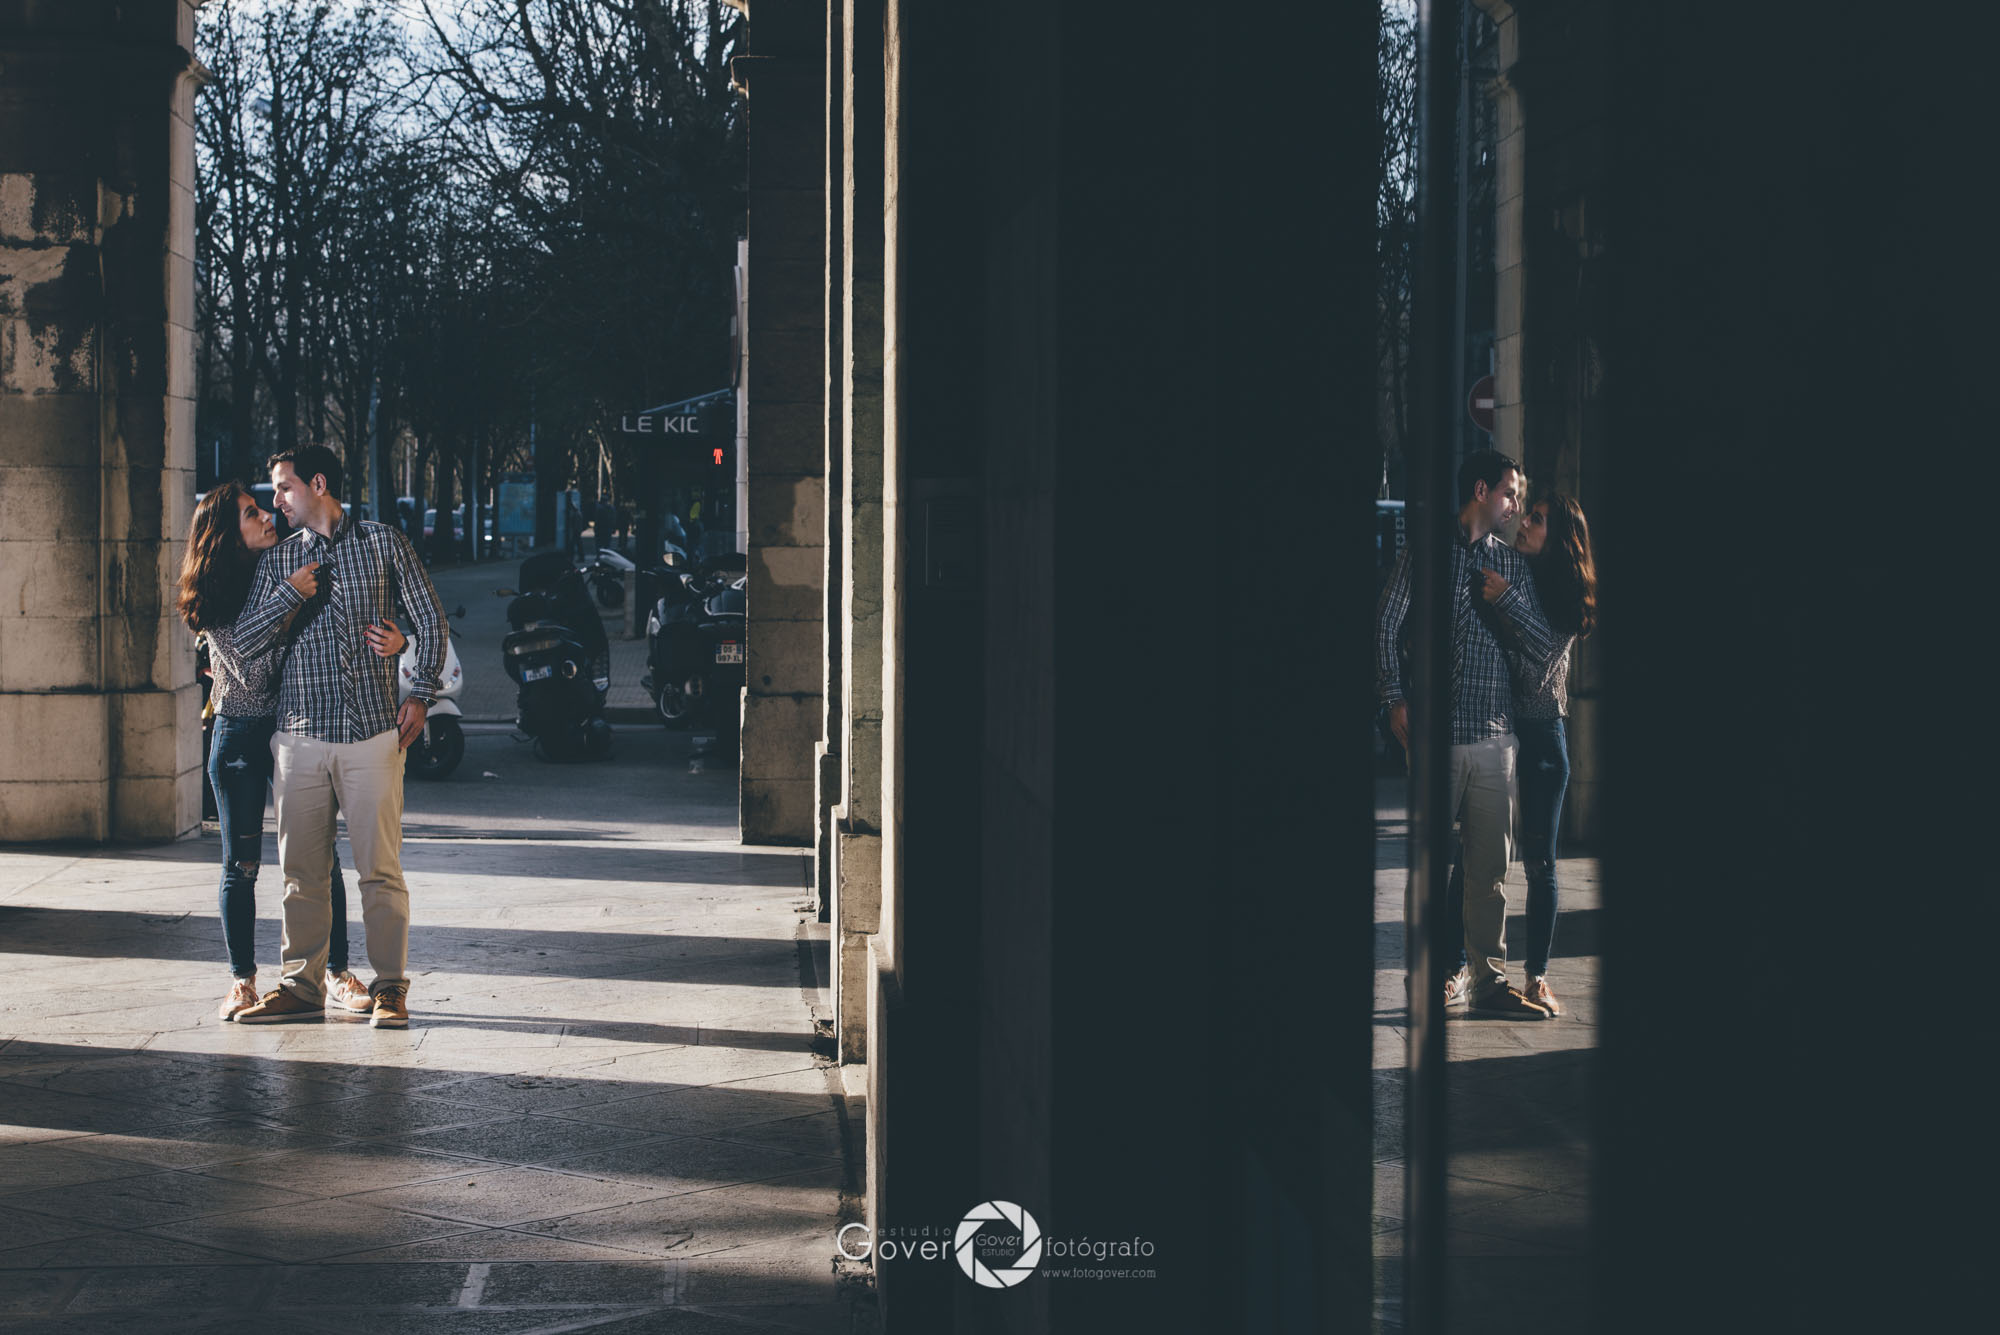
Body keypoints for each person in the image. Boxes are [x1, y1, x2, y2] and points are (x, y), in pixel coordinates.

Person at [230, 445, 448, 1030]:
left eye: (284, 488)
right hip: (298, 738)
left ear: (318, 483)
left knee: (379, 870)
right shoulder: (281, 563)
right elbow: (244, 642)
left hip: (372, 735)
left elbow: (430, 619)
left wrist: (421, 694)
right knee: (300, 873)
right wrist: (291, 593)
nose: (276, 502)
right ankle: (302, 985)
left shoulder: (381, 542)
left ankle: (391, 987)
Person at [176, 483, 406, 1021]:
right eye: (251, 514)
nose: (266, 517)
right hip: (238, 734)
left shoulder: (278, 566)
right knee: (242, 864)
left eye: (265, 506)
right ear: (225, 534)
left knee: (317, 860)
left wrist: (397, 640)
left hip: (289, 731)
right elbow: (250, 670)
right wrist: (292, 596)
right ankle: (241, 980)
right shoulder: (214, 589)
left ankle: (335, 973)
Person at [1376, 449, 1559, 1019]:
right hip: (1434, 736)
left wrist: (1506, 598)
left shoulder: (1512, 565)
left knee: (1489, 873)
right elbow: (1384, 624)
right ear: (1481, 491)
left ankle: (1488, 978)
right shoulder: (1426, 550)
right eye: (1510, 492)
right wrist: (1391, 699)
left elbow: (1541, 647)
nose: (1515, 504)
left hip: (1496, 738)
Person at [1443, 492, 1598, 1016]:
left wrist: (1506, 601)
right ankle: (1456, 968)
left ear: (1558, 538)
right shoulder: (1515, 573)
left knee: (1541, 865)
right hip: (1501, 734)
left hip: (1544, 743)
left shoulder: (1569, 594)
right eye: (1525, 514)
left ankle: (1536, 978)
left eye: (1535, 520)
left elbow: (1535, 668)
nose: (1524, 523)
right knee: (1477, 859)